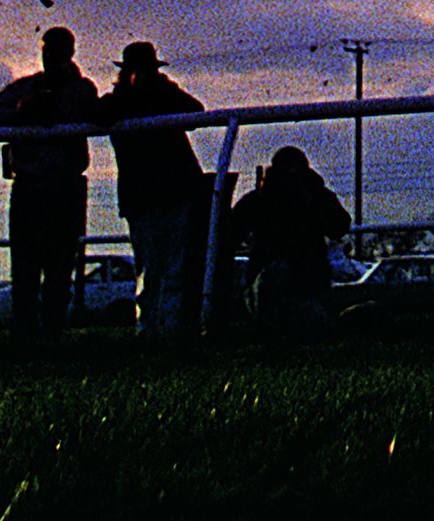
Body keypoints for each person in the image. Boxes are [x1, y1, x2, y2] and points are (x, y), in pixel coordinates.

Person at [0, 24, 100, 341]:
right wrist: (22, 112)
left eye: (58, 50)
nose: (51, 56)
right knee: (26, 265)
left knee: (60, 266)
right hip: (30, 185)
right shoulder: (23, 90)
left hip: (64, 185)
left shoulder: (83, 90)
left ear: (70, 53)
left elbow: (99, 114)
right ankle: (27, 333)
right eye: (48, 49)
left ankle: (52, 332)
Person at [97, 41, 212, 337]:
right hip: (146, 194)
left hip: (170, 190)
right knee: (150, 268)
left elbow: (195, 112)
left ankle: (169, 327)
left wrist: (164, 90)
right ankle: (148, 328)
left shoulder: (164, 98)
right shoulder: (117, 103)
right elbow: (99, 115)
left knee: (173, 266)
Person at [230, 144, 349, 340]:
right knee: (277, 275)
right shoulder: (263, 201)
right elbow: (232, 231)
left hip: (305, 289)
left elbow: (340, 226)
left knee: (305, 312)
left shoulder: (310, 197)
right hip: (281, 290)